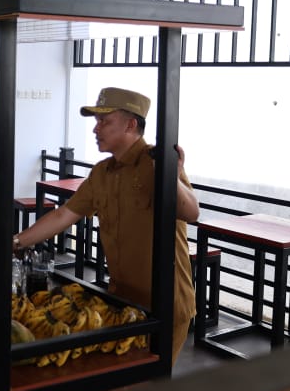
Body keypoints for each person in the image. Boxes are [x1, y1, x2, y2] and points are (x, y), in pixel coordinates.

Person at [11, 87, 199, 365]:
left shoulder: (156, 161)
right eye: (96, 122)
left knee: (148, 388)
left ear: (130, 124)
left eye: (104, 121)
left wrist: (169, 170)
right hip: (120, 301)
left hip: (165, 303)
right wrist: (15, 242)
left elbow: (191, 211)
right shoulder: (102, 172)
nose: (95, 129)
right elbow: (65, 215)